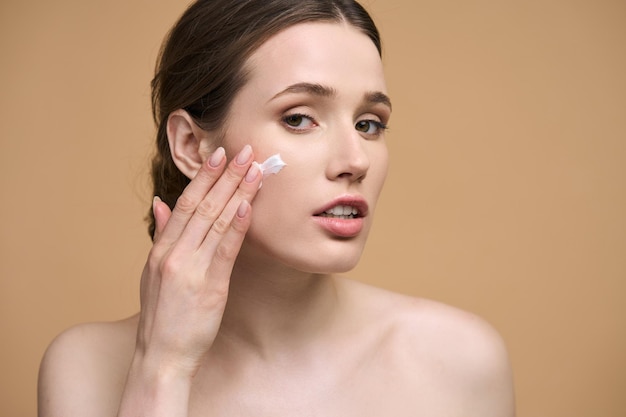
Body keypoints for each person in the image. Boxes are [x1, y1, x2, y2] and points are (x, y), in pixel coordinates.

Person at [37, 1, 515, 416]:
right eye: (299, 118)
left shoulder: (455, 361)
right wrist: (162, 368)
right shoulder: (86, 368)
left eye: (370, 124)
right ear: (191, 144)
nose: (355, 160)